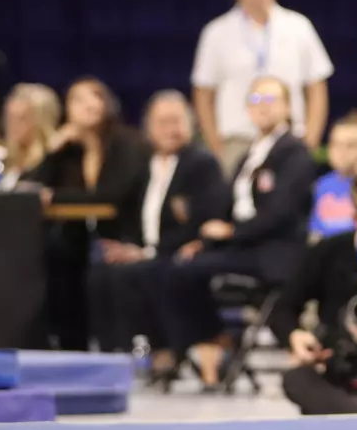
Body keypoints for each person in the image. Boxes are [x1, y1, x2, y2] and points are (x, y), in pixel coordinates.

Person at [156, 74, 317, 387]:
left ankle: (214, 340)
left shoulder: (294, 152)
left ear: (287, 107)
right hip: (244, 247)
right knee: (174, 266)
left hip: (273, 251)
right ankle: (214, 339)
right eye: (256, 100)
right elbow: (228, 208)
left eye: (271, 100)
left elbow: (279, 213)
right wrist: (203, 242)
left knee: (181, 273)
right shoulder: (250, 154)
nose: (263, 107)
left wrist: (230, 232)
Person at [90, 91, 228, 369]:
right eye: (162, 122)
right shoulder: (144, 165)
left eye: (176, 121)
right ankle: (112, 356)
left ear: (191, 124)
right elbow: (129, 214)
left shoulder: (201, 164)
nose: (171, 129)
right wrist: (128, 246)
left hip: (180, 252)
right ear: (149, 128)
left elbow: (203, 220)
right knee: (100, 274)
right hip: (147, 250)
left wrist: (148, 253)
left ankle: (164, 350)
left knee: (143, 273)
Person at [270, 168, 357, 415]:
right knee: (296, 379)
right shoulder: (328, 252)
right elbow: (282, 309)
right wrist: (295, 337)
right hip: (341, 371)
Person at [31, 78, 151, 349]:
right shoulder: (70, 149)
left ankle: (113, 348)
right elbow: (35, 188)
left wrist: (58, 196)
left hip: (127, 233)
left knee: (92, 262)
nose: (87, 105)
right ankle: (70, 345)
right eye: (77, 99)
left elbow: (112, 195)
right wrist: (52, 151)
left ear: (106, 103)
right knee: (56, 254)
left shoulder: (127, 143)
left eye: (94, 96)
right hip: (84, 237)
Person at [191, 0, 334, 177]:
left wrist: (310, 142)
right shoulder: (216, 32)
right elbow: (203, 93)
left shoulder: (299, 27)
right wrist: (216, 146)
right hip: (236, 141)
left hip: (289, 141)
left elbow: (317, 87)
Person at [310, 111, 357, 238]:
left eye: (350, 145)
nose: (341, 151)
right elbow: (315, 234)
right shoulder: (322, 185)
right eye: (335, 144)